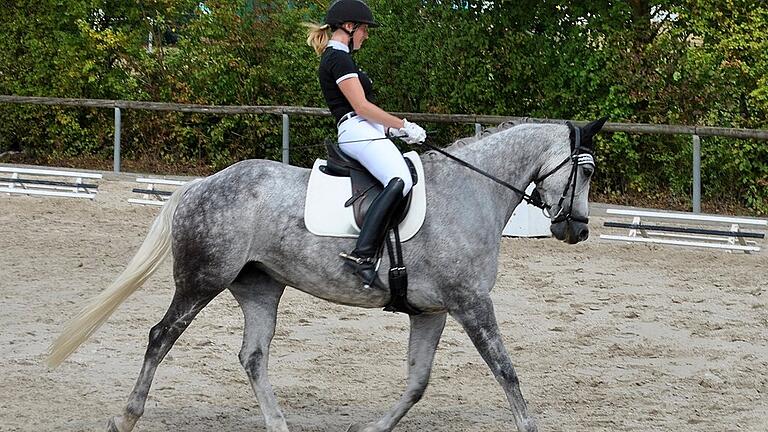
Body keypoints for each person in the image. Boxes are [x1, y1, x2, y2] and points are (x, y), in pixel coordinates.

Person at [305, 0, 427, 288]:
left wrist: (393, 131)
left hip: (363, 128)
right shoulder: (339, 59)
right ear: (349, 27)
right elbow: (360, 107)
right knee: (399, 179)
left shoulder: (341, 57)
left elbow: (364, 110)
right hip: (355, 128)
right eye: (364, 30)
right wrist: (403, 124)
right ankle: (363, 255)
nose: (366, 35)